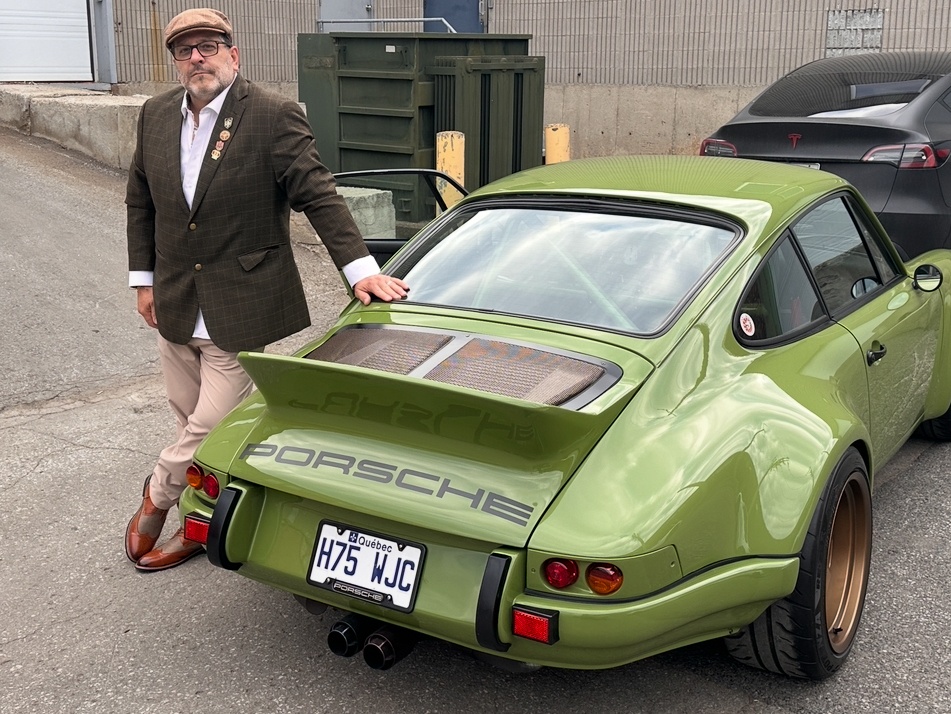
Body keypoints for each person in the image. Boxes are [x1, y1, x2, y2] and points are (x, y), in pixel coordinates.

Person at [124, 7, 408, 571]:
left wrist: (361, 270)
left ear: (234, 53)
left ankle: (156, 499)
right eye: (186, 49)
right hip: (175, 298)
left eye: (209, 45)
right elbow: (141, 201)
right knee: (190, 422)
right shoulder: (155, 115)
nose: (197, 57)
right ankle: (201, 524)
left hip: (240, 302)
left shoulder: (274, 115)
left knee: (210, 425)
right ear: (176, 61)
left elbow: (318, 193)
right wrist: (143, 281)